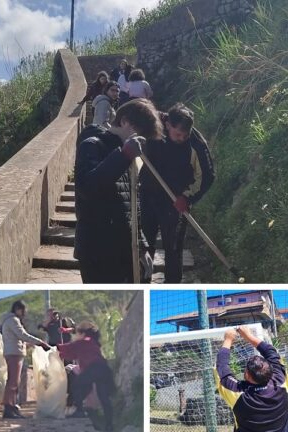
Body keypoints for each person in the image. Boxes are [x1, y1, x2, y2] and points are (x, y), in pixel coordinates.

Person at [74, 98, 163, 283]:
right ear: (124, 121)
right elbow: (87, 188)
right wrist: (123, 156)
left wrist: (142, 246)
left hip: (124, 251)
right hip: (97, 253)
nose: (141, 140)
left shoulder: (126, 154)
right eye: (140, 132)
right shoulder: (92, 145)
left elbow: (131, 205)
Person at [141, 103, 215, 283]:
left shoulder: (197, 143)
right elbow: (131, 120)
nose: (181, 138)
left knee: (173, 248)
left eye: (185, 135)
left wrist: (188, 197)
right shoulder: (154, 124)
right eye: (177, 134)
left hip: (175, 201)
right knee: (144, 243)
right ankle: (143, 280)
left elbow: (207, 176)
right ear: (167, 125)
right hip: (148, 194)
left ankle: (172, 282)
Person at [216, 326, 288, 432]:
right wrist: (249, 336)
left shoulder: (239, 394)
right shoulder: (280, 382)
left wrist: (228, 339)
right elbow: (272, 353)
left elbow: (222, 369)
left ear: (248, 375)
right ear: (270, 370)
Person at [56, 321, 115, 430]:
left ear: (82, 334)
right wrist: (59, 353)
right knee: (103, 397)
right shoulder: (92, 342)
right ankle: (108, 424)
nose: (76, 336)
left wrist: (53, 347)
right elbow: (73, 354)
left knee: (76, 385)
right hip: (103, 370)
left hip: (94, 368)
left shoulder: (85, 341)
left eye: (77, 334)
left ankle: (80, 411)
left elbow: (69, 348)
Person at [0, 300, 51, 419]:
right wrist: (40, 342)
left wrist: (27, 344)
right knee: (13, 382)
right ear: (18, 309)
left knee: (14, 382)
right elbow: (22, 335)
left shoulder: (8, 320)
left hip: (13, 352)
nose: (24, 313)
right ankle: (8, 408)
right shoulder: (13, 320)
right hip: (14, 354)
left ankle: (12, 406)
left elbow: (16, 338)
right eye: (23, 310)